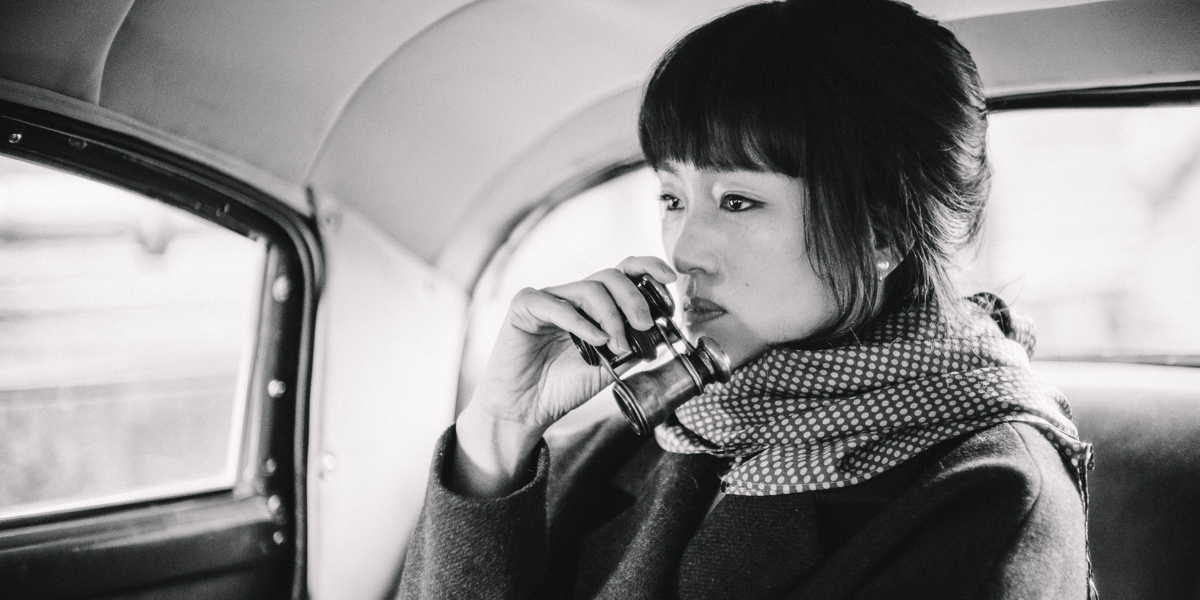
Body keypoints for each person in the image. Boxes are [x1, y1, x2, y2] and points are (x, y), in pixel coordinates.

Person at [399, 0, 1095, 598]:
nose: (683, 251)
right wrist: (500, 426)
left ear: (880, 235)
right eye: (672, 197)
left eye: (737, 200)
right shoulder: (658, 424)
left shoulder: (991, 496)